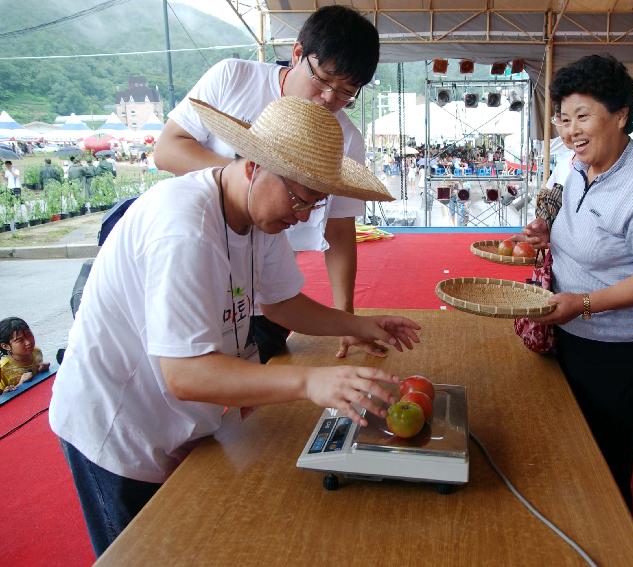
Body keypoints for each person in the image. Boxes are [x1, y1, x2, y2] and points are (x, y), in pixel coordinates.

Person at [49, 95, 413, 557]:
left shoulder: (260, 216)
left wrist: (358, 325)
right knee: (141, 553)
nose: (301, 216)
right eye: (299, 199)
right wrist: (309, 380)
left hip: (181, 420)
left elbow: (281, 303)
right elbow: (185, 375)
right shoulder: (184, 229)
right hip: (119, 426)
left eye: (314, 205)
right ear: (254, 166)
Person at [155, 5, 379, 364]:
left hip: (266, 282)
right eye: (323, 81)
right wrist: (253, 180)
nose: (328, 99)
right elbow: (167, 149)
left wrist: (347, 318)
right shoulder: (233, 78)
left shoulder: (343, 138)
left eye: (345, 94)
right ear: (297, 54)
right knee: (192, 366)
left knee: (252, 383)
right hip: (201, 262)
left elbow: (338, 228)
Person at [521, 54, 633, 510]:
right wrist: (543, 231)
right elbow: (566, 218)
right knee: (570, 438)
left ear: (621, 115)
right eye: (564, 118)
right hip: (569, 325)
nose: (570, 130)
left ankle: (613, 535)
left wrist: (585, 303)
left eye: (583, 117)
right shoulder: (575, 167)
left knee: (606, 456)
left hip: (617, 346)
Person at [0, 317, 50, 393]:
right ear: (6, 346)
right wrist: (20, 384)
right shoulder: (3, 368)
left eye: (29, 335)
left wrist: (43, 370)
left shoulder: (36, 352)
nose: (28, 342)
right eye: (20, 340)